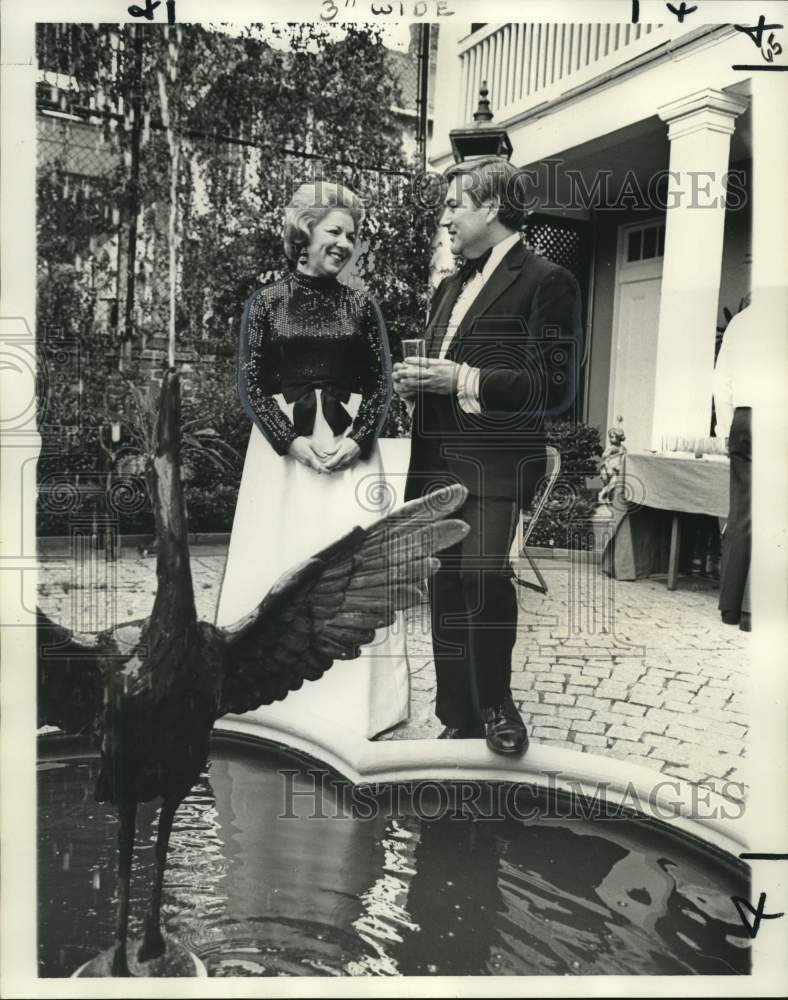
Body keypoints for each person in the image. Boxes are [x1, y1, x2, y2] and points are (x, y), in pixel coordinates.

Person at [393, 156, 583, 755]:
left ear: (491, 208)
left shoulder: (548, 280)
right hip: (434, 461)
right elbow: (440, 372)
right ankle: (457, 712)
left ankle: (497, 704)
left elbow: (553, 387)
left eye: (456, 204)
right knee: (445, 587)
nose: (445, 216)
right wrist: (416, 383)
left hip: (496, 464)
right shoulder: (449, 285)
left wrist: (463, 379)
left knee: (481, 577)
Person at [215, 181, 410, 737]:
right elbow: (250, 385)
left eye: (352, 235)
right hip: (283, 463)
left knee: (352, 570)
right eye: (335, 231)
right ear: (304, 232)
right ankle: (268, 705)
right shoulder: (267, 303)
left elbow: (380, 385)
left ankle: (355, 712)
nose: (346, 243)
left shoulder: (361, 304)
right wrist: (292, 441)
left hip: (350, 456)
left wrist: (356, 439)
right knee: (280, 561)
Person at [712, 301, 753, 632]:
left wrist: (727, 431)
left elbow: (721, 384)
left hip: (743, 418)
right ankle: (754, 613)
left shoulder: (740, 322)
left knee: (740, 514)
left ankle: (730, 609)